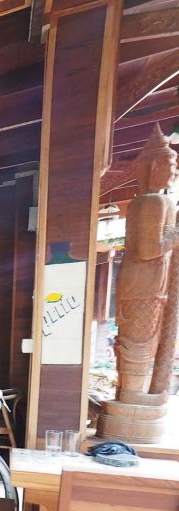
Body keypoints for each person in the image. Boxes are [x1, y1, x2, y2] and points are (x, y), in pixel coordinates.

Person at [114, 124, 179, 397]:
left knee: (141, 338)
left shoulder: (154, 202)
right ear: (154, 167)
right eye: (171, 165)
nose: (175, 172)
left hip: (147, 285)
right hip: (144, 284)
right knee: (139, 340)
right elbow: (149, 250)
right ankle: (132, 393)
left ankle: (133, 393)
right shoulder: (153, 203)